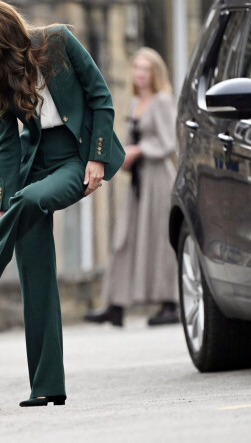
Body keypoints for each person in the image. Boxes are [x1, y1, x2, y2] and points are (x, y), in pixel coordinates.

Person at [0, 0, 125, 407]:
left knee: (34, 197)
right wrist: (2, 204)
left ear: (6, 34)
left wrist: (96, 156)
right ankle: (46, 385)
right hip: (34, 161)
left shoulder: (57, 41)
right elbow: (6, 142)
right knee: (36, 279)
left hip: (77, 155)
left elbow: (101, 97)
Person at [84, 47, 178, 327]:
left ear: (155, 73)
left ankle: (170, 302)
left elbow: (168, 142)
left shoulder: (162, 101)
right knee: (124, 238)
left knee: (160, 239)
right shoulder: (133, 103)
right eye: (136, 68)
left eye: (145, 68)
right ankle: (115, 303)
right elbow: (125, 140)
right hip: (138, 181)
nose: (139, 74)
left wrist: (139, 150)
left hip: (158, 179)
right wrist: (120, 156)